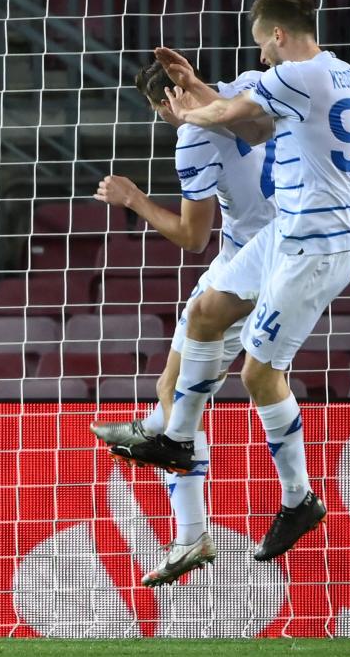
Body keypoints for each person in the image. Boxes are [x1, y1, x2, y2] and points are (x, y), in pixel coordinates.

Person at [116, 0, 350, 562]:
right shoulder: (336, 71)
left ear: (279, 35)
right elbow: (250, 126)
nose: (261, 59)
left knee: (258, 375)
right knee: (206, 310)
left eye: (261, 45)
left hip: (315, 246)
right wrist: (197, 88)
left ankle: (299, 499)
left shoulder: (298, 73)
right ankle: (178, 437)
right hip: (286, 232)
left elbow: (229, 116)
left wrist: (186, 110)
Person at [90, 60, 275, 585]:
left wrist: (133, 199)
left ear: (164, 104)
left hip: (255, 263)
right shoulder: (241, 89)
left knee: (181, 399)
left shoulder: (193, 138)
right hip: (254, 248)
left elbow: (192, 237)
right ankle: (147, 429)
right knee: (172, 387)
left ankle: (191, 533)